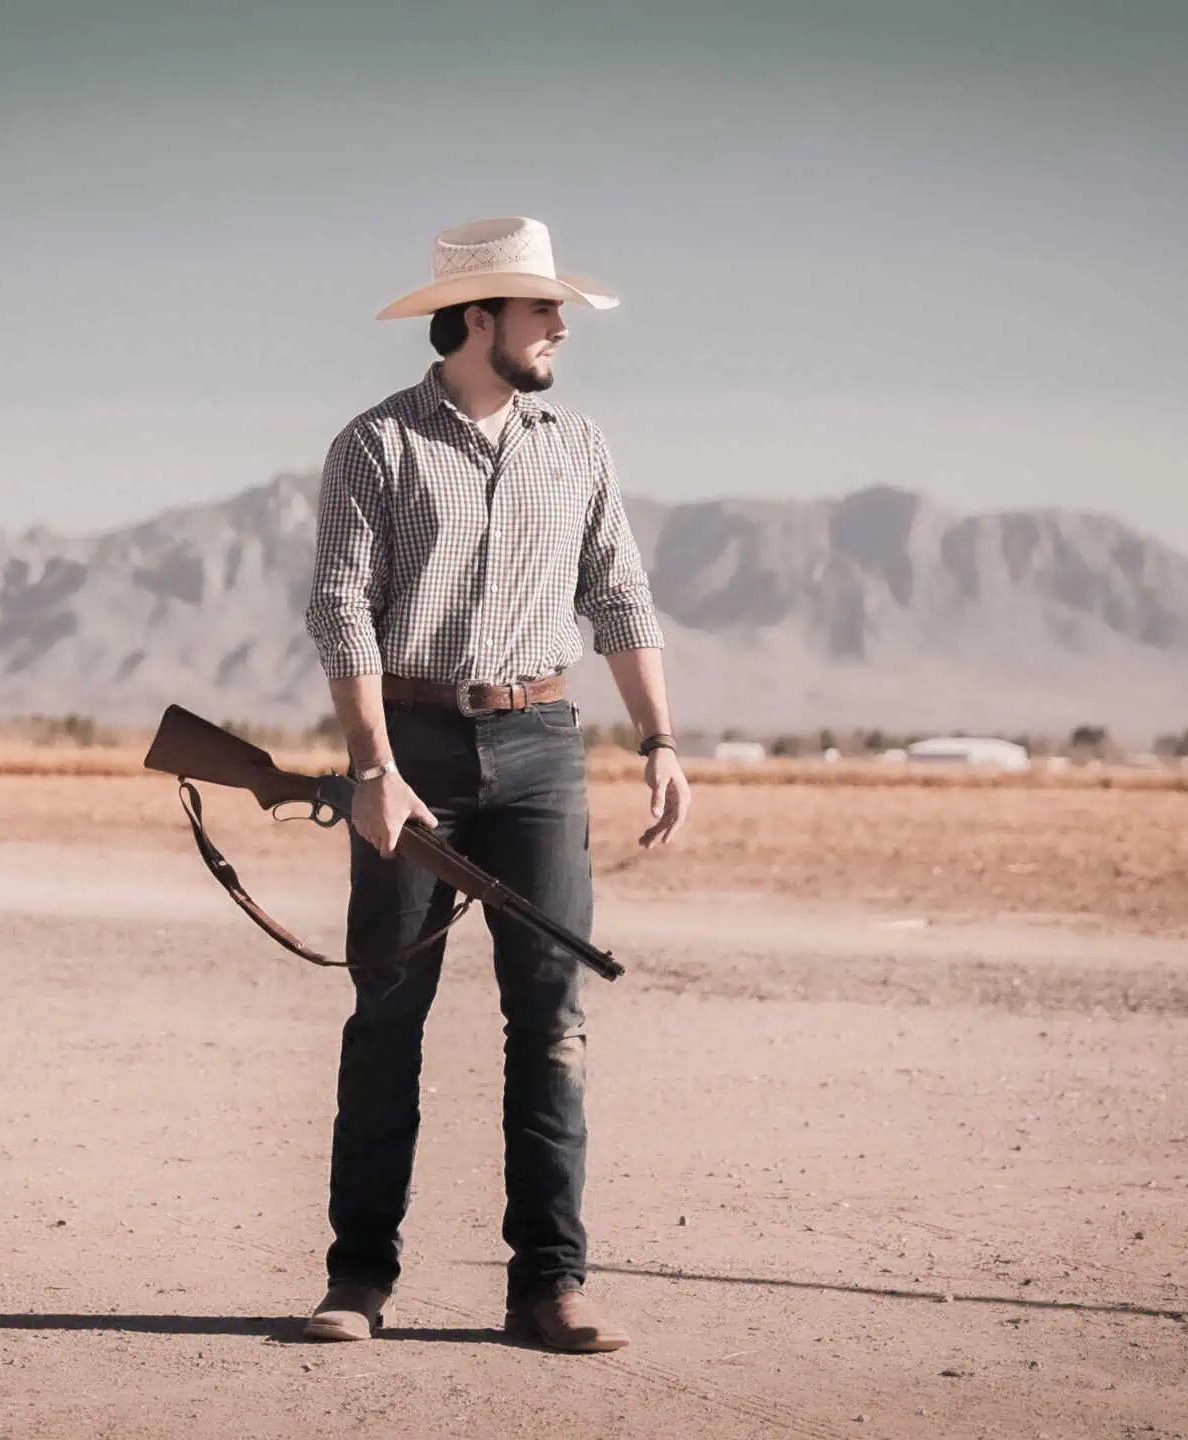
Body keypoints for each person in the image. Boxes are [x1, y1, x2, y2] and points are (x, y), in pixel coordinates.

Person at [300, 216, 691, 1352]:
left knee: (553, 1023)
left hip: (539, 750)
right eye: (540, 310)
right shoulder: (373, 446)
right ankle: (358, 1278)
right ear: (479, 320)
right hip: (409, 746)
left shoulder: (577, 445)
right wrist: (371, 766)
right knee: (386, 1016)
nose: (561, 327)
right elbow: (340, 610)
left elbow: (619, 595)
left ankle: (549, 1287)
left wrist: (659, 739)